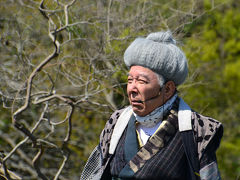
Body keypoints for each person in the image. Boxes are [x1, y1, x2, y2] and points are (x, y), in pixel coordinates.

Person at [80, 31, 223, 180]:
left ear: (167, 89)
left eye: (141, 81)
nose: (132, 89)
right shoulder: (117, 122)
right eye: (130, 80)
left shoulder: (196, 130)